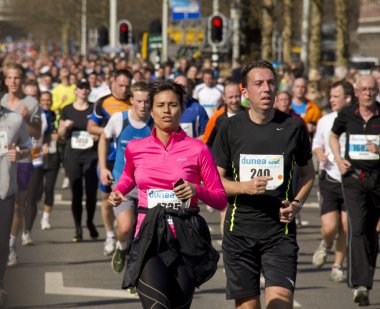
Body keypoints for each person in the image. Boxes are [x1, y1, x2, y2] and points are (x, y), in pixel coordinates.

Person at [108, 80, 227, 308]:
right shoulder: (136, 147)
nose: (166, 110)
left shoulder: (198, 149)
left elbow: (220, 198)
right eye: (160, 105)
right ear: (151, 110)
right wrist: (118, 191)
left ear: (181, 109)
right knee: (158, 305)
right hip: (149, 235)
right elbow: (128, 177)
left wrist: (196, 189)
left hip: (185, 235)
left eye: (172, 105)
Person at [212, 60, 315, 309]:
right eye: (258, 84)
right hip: (240, 233)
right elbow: (214, 181)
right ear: (245, 92)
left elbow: (308, 174)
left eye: (271, 83)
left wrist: (297, 204)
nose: (266, 89)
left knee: (279, 304)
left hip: (280, 234)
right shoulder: (229, 127)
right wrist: (244, 187)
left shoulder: (293, 126)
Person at [330, 75, 380, 306]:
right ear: (357, 92)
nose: (368, 93)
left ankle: (365, 279)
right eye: (364, 89)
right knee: (357, 228)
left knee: (371, 232)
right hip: (354, 179)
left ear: (376, 90)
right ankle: (360, 285)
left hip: (378, 179)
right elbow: (333, 135)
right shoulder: (347, 114)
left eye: (372, 89)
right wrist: (339, 159)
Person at [98, 81, 152, 273]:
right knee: (125, 227)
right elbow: (103, 139)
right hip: (124, 183)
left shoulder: (156, 121)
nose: (143, 105)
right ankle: (121, 249)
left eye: (147, 101)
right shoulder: (119, 119)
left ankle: (135, 272)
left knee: (145, 233)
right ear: (132, 101)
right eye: (139, 101)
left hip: (150, 187)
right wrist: (103, 167)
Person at [311, 80, 355, 283]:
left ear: (348, 98)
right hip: (330, 178)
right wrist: (320, 154)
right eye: (330, 96)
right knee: (330, 227)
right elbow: (317, 145)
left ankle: (337, 266)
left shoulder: (357, 120)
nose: (331, 100)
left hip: (352, 180)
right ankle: (325, 244)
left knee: (346, 226)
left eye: (335, 96)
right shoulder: (325, 120)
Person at [87, 69, 132, 256]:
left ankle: (125, 232)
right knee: (106, 199)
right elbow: (91, 127)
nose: (124, 89)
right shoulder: (103, 102)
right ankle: (110, 235)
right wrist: (111, 131)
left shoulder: (135, 101)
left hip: (131, 160)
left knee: (129, 199)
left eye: (127, 86)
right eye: (120, 85)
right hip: (110, 158)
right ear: (112, 82)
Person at [1, 63, 41, 266]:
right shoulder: (1, 100)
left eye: (17, 78)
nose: (13, 82)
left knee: (17, 205)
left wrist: (25, 120)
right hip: (2, 162)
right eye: (9, 78)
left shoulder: (31, 102)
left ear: (22, 80)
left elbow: (37, 133)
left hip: (22, 160)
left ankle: (10, 246)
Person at [58, 78, 99, 242]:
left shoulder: (94, 108)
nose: (83, 90)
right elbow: (60, 135)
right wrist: (65, 127)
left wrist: (97, 134)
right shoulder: (67, 110)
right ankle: (77, 228)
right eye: (80, 88)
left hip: (91, 155)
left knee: (90, 193)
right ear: (75, 91)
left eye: (86, 88)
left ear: (89, 90)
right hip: (72, 156)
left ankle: (89, 221)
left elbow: (99, 128)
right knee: (76, 192)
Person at [0, 103, 32, 306]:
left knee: (1, 245)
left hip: (4, 191)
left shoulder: (14, 119)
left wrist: (19, 154)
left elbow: (29, 148)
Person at [173, 75, 209, 140]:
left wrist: (191, 144)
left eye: (184, 87)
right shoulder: (165, 108)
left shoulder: (198, 109)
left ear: (189, 88)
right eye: (177, 87)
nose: (180, 90)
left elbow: (207, 134)